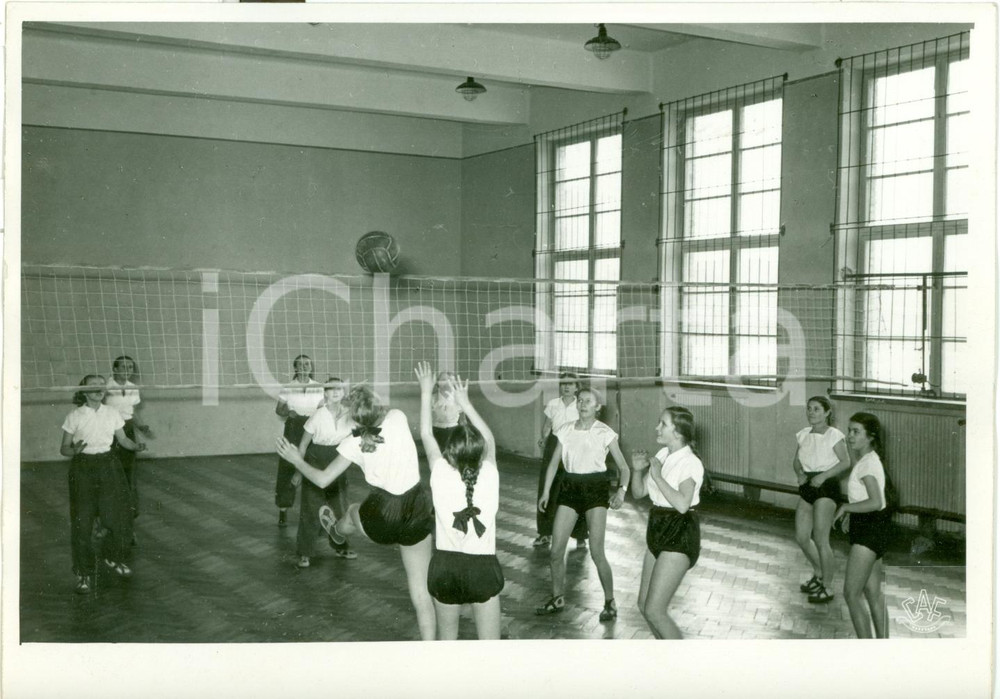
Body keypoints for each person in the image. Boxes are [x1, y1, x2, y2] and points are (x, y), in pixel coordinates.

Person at [276, 383, 436, 641]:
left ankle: (336, 534)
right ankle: (430, 648)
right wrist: (426, 390)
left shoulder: (353, 443)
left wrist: (296, 460)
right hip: (417, 511)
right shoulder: (398, 418)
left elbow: (322, 480)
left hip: (382, 516)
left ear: (353, 416)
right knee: (420, 592)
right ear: (380, 406)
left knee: (351, 511)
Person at [416, 363, 504, 640]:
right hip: (482, 567)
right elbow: (489, 439)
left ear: (449, 453)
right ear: (480, 453)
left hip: (445, 567)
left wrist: (425, 391)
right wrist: (465, 403)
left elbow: (427, 435)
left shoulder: (440, 472)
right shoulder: (489, 473)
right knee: (489, 647)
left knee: (447, 644)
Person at [536, 387, 630, 622]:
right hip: (570, 487)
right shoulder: (565, 430)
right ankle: (557, 598)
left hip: (595, 489)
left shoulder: (605, 432)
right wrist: (546, 491)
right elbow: (553, 464)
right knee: (556, 551)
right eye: (580, 400)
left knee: (597, 552)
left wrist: (621, 492)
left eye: (588, 401)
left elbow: (625, 468)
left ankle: (610, 602)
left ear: (598, 407)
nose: (582, 404)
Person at [60, 375, 145, 593]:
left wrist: (135, 446)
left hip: (109, 465)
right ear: (84, 391)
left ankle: (113, 558)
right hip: (83, 468)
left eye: (101, 385)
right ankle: (83, 574)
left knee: (117, 517)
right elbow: (64, 448)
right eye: (93, 386)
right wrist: (75, 451)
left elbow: (123, 440)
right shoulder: (74, 416)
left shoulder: (112, 413)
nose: (99, 389)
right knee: (83, 523)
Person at [629, 406, 705, 639]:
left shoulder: (690, 463)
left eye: (663, 424)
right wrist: (636, 471)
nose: (657, 427)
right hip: (657, 527)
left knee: (655, 610)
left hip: (679, 531)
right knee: (644, 606)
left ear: (678, 431)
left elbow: (682, 504)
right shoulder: (662, 455)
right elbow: (639, 492)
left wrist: (658, 476)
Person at [835, 412, 895, 639]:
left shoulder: (868, 464)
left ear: (870, 437)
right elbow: (871, 501)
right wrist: (854, 511)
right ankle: (882, 646)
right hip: (874, 529)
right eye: (849, 430)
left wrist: (846, 508)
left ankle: (866, 650)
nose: (850, 436)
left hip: (868, 533)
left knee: (851, 594)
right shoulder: (868, 460)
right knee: (872, 592)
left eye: (855, 432)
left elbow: (876, 502)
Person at [792, 396, 851, 604]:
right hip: (808, 485)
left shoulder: (834, 435)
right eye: (809, 409)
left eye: (817, 409)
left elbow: (845, 462)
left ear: (827, 412)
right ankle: (819, 573)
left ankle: (827, 586)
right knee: (801, 536)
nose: (811, 413)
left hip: (826, 487)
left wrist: (824, 476)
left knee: (821, 539)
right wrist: (799, 473)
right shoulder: (803, 435)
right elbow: (796, 462)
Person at [292, 377, 357, 567]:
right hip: (316, 459)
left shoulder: (349, 414)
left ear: (343, 393)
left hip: (338, 458)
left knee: (340, 507)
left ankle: (341, 547)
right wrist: (298, 472)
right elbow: (303, 445)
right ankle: (305, 552)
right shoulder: (318, 415)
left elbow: (357, 436)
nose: (336, 392)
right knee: (311, 507)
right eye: (331, 389)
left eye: (339, 389)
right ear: (325, 393)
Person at [533, 373, 588, 551]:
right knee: (547, 488)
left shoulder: (581, 404)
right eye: (563, 384)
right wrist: (544, 438)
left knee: (576, 489)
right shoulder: (553, 404)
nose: (566, 387)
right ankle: (544, 533)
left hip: (574, 443)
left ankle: (580, 535)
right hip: (554, 444)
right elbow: (548, 425)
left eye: (570, 384)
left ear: (576, 387)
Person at [274, 354, 324, 527]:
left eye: (307, 364)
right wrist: (288, 412)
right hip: (294, 427)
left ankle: (317, 512)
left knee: (314, 465)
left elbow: (322, 410)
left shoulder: (318, 387)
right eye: (301, 364)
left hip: (313, 427)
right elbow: (278, 409)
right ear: (295, 368)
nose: (304, 367)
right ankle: (283, 510)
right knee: (288, 467)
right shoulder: (288, 387)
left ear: (311, 368)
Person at [104, 355, 153, 526]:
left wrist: (141, 426)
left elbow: (131, 411)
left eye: (130, 367)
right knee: (108, 471)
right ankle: (105, 518)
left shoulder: (133, 387)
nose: (127, 370)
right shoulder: (105, 386)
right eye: (123, 367)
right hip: (108, 430)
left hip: (127, 429)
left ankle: (127, 519)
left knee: (127, 472)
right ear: (115, 369)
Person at [431, 371, 464, 449]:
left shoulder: (459, 398)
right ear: (437, 383)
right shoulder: (432, 398)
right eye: (444, 379)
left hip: (454, 430)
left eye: (451, 379)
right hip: (437, 430)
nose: (448, 382)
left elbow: (463, 420)